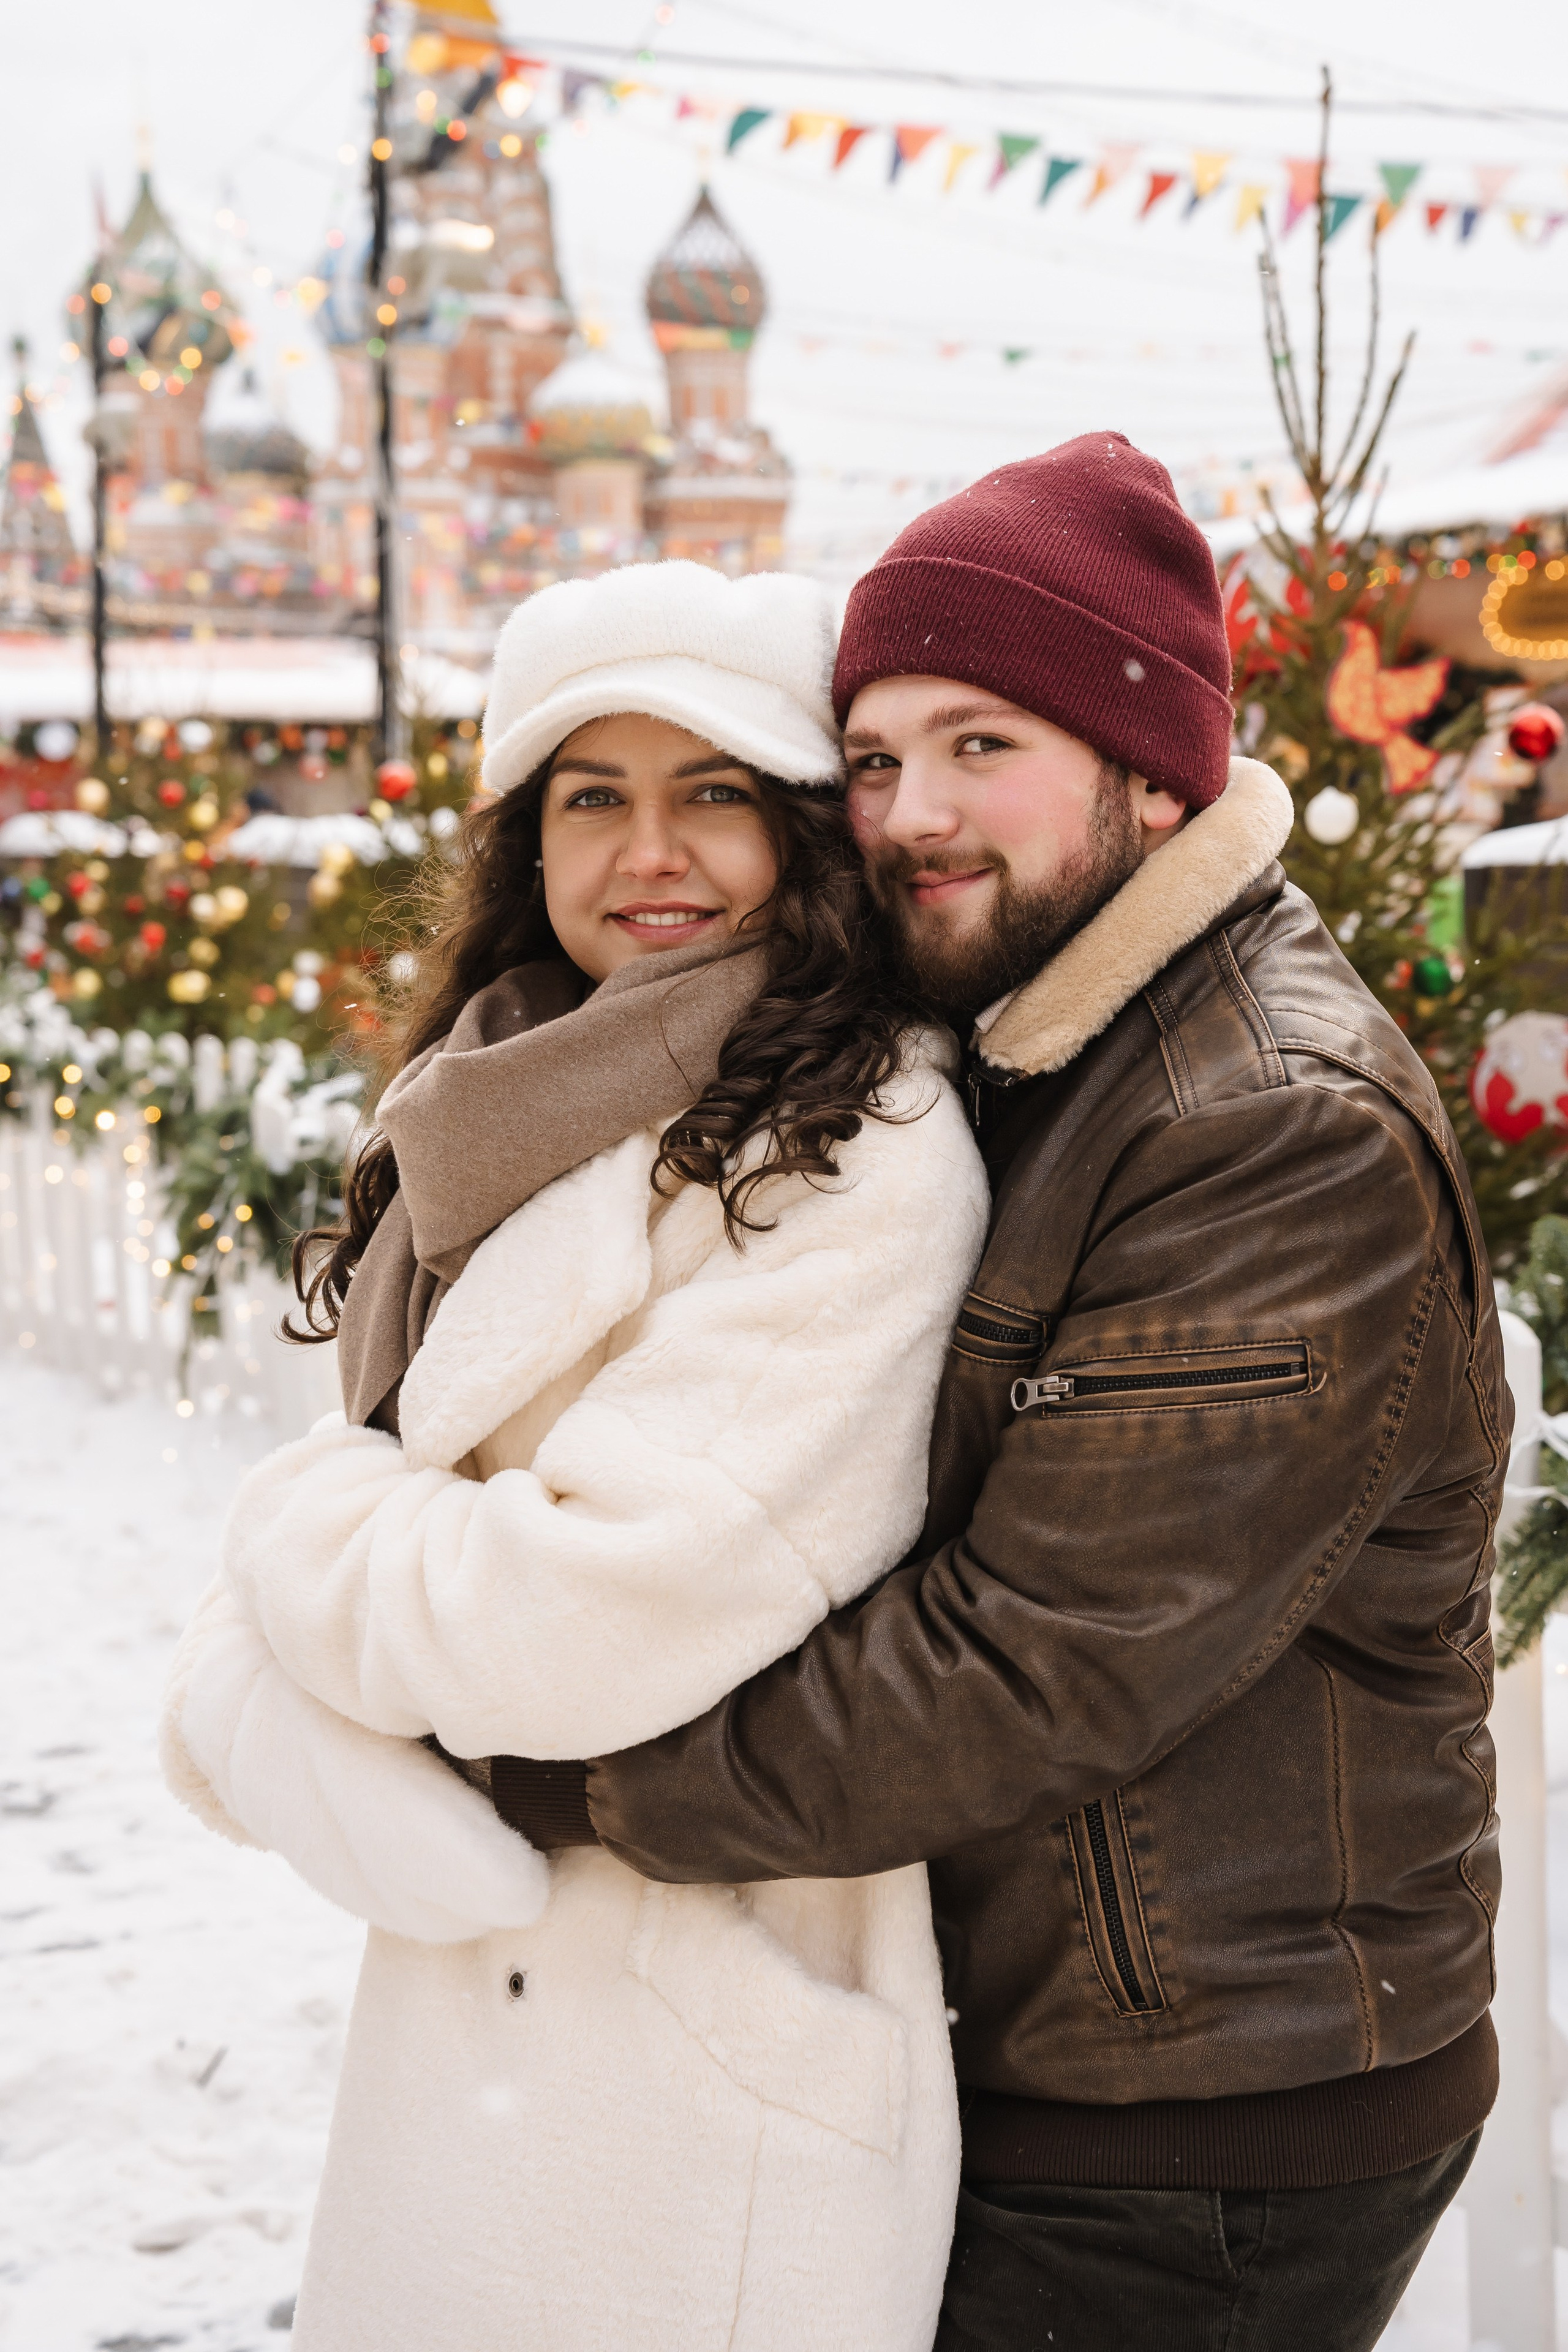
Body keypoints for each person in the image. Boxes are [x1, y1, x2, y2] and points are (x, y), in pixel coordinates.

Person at [481, 439, 1509, 2352]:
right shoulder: (1037, 1041)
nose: (911, 814)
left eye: (983, 745)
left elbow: (1039, 1663)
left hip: (1204, 2122)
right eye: (872, 760)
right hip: (1064, 2050)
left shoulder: (1266, 1121)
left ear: (1151, 766)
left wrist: (569, 1771)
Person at [160, 560, 990, 2352]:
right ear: (524, 845)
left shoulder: (861, 1134)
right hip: (475, 2017)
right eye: (592, 799)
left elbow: (581, 1614)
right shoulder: (503, 1097)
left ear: (802, 833)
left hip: (693, 2026)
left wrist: (288, 1533)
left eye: (713, 794)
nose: (652, 855)